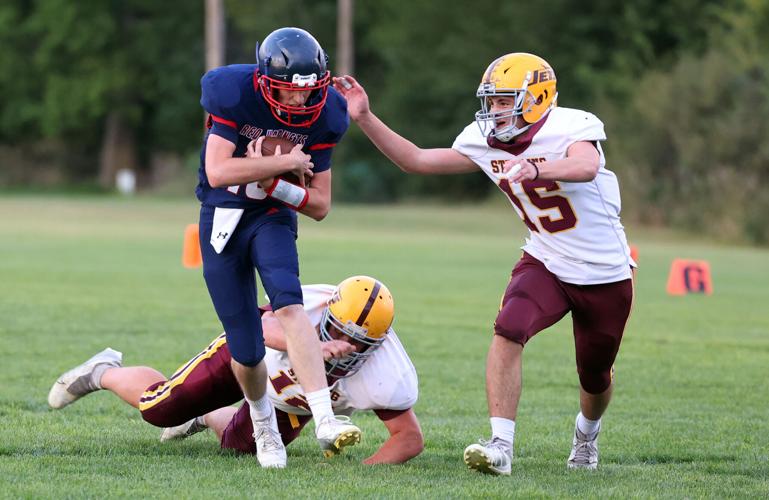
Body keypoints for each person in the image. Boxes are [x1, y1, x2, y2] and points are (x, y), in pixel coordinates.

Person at [333, 52, 635, 474]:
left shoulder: (571, 124)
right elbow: (415, 160)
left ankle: (587, 434)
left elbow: (586, 166)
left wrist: (535, 168)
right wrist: (365, 117)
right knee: (508, 329)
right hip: (545, 258)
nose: (495, 110)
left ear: (536, 98)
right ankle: (501, 446)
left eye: (504, 100)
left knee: (595, 375)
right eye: (492, 100)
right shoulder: (484, 140)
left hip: (605, 272)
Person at [195, 27, 356, 468]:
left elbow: (320, 205)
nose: (300, 100)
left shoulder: (328, 115)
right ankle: (262, 419)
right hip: (224, 216)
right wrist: (284, 161)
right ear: (265, 81)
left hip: (271, 215)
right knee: (245, 349)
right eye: (289, 90)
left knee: (289, 302)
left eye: (309, 90)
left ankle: (325, 420)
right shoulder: (234, 93)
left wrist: (276, 187)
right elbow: (218, 172)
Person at [47, 277, 423, 465]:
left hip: (288, 402)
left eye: (359, 342)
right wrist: (311, 347)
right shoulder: (308, 306)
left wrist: (364, 470)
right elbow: (260, 325)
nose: (346, 344)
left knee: (238, 447)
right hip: (248, 358)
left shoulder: (387, 371)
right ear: (326, 313)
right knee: (159, 409)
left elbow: (409, 438)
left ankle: (204, 415)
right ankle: (101, 371)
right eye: (338, 331)